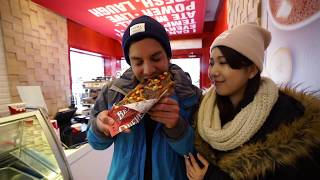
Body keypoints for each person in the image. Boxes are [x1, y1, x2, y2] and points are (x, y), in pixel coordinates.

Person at [185, 23, 320, 179]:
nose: (213, 72)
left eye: (223, 63)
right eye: (212, 63)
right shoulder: (203, 109)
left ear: (251, 70)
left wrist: (210, 177)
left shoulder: (290, 119)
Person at [87, 15, 202, 180]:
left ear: (168, 56)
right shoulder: (113, 93)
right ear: (130, 63)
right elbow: (95, 143)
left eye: (156, 58)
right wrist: (100, 128)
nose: (148, 70)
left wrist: (176, 126)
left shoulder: (190, 96)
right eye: (138, 62)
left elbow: (196, 153)